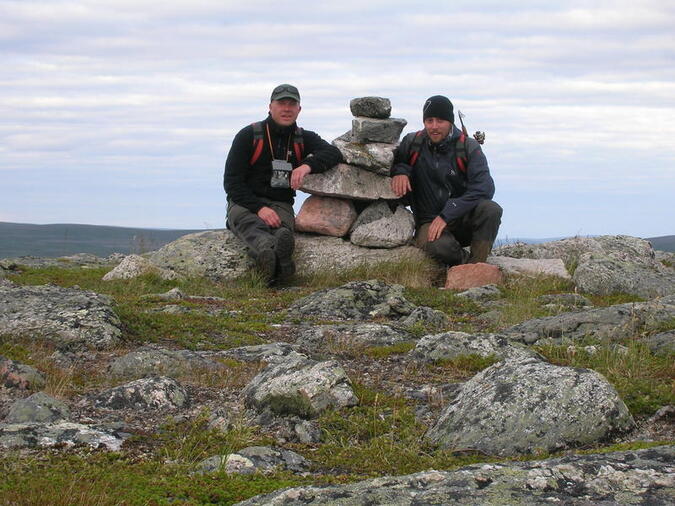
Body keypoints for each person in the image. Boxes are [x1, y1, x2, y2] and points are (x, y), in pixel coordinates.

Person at [224, 84, 342, 283]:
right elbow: (232, 182)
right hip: (245, 202)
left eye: (291, 104)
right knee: (250, 223)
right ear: (270, 106)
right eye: (281, 103)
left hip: (281, 203)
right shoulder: (248, 135)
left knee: (283, 229)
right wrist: (260, 208)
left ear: (299, 109)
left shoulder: (303, 137)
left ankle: (270, 260)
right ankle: (273, 256)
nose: (286, 109)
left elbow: (334, 153)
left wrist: (306, 166)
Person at [390, 95, 502, 266]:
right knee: (438, 245)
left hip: (461, 218)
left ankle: (477, 267)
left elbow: (485, 188)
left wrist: (447, 214)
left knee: (491, 209)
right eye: (429, 120)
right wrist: (401, 171)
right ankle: (466, 266)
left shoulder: (467, 147)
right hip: (428, 221)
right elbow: (398, 162)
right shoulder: (412, 142)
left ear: (450, 122)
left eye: (440, 120)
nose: (434, 126)